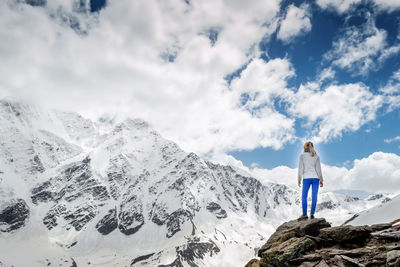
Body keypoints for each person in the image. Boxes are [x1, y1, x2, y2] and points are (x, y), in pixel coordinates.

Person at [297, 141, 323, 220]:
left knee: (304, 196)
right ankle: (312, 214)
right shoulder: (316, 156)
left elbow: (300, 168)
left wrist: (299, 179)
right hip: (315, 178)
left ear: (305, 147)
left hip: (306, 178)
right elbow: (318, 169)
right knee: (314, 196)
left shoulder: (302, 156)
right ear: (312, 147)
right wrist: (321, 180)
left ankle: (305, 214)